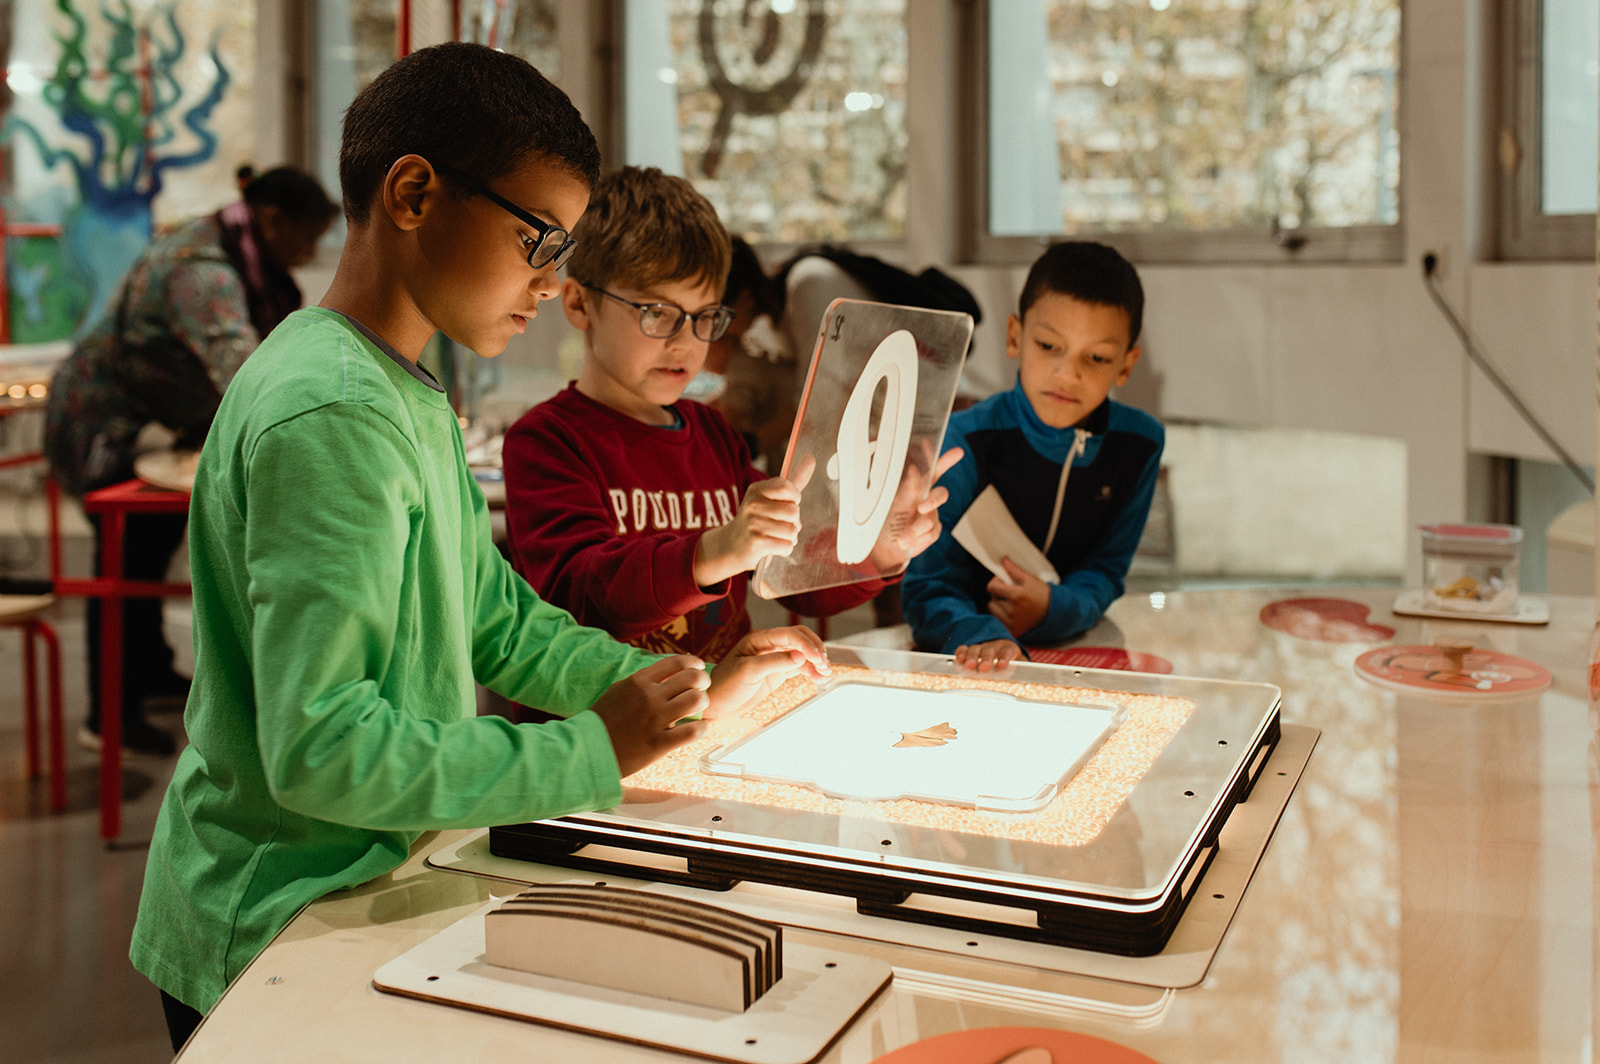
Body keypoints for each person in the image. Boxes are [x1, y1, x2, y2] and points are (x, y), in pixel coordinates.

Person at [129, 43, 825, 1055]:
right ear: (414, 193)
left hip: (358, 880)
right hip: (270, 919)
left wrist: (674, 687)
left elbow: (493, 617)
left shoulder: (400, 387)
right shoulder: (328, 409)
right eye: (541, 240)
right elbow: (321, 745)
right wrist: (595, 747)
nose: (551, 282)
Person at [500, 166, 958, 663]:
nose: (685, 342)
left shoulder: (713, 433)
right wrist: (719, 550)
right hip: (596, 733)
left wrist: (878, 550)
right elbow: (580, 596)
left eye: (704, 318)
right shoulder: (546, 440)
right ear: (579, 304)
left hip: (712, 717)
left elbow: (792, 573)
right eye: (657, 312)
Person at [44, 165, 339, 757]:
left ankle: (148, 672)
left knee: (150, 553)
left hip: (154, 427)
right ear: (272, 219)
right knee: (123, 559)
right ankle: (109, 714)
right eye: (306, 238)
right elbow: (243, 371)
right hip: (107, 427)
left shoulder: (225, 245)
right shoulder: (201, 271)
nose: (308, 254)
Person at [903, 241, 1164, 672]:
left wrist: (1054, 607)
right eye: (1048, 346)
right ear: (1014, 337)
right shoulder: (964, 440)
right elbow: (928, 585)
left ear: (1126, 364)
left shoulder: (1140, 444)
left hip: (1081, 658)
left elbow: (1106, 569)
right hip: (970, 662)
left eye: (1096, 357)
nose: (1068, 373)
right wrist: (981, 634)